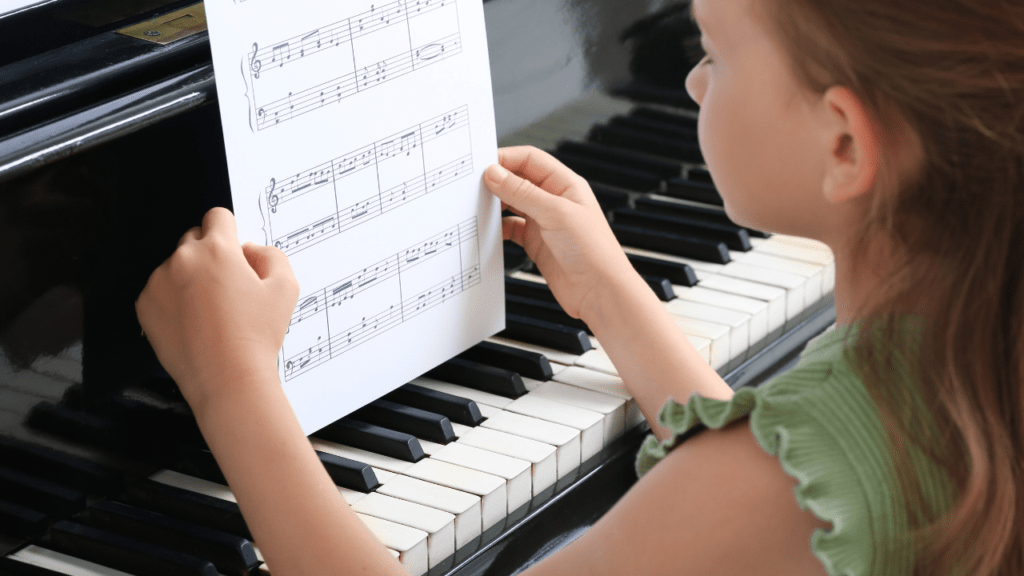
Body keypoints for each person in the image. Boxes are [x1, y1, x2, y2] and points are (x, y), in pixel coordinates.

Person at [135, 0, 1024, 573]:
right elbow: (786, 494)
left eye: (714, 50)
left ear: (844, 147)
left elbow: (754, 496)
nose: (692, 76)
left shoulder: (768, 484)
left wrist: (233, 386)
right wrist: (613, 296)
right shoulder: (963, 345)